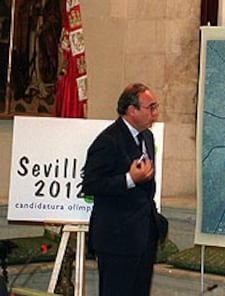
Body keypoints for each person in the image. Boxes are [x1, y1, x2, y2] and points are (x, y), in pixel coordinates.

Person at [81, 83, 162, 296]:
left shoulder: (147, 137)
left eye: (155, 107)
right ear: (132, 110)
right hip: (117, 238)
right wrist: (129, 179)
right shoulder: (108, 140)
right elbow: (91, 184)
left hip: (143, 235)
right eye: (150, 107)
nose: (155, 113)